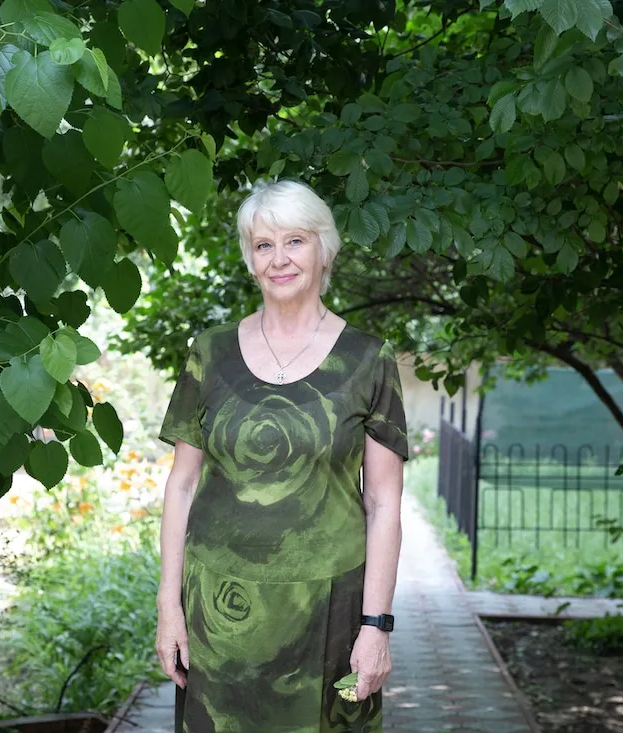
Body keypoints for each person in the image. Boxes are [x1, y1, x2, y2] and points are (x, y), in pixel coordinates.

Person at [155, 179, 409, 732]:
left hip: (330, 617)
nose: (279, 259)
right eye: (263, 245)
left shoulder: (369, 360)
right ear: (250, 259)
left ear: (324, 250)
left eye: (295, 241)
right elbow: (180, 486)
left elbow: (384, 503)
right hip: (218, 614)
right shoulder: (210, 353)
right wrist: (168, 608)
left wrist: (376, 626)